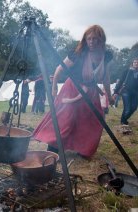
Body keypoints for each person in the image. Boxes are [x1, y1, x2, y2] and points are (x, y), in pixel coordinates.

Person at [33, 25, 114, 158]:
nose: (91, 42)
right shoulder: (78, 53)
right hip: (72, 89)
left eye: (95, 39)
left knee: (91, 122)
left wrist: (109, 96)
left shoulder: (107, 56)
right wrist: (54, 88)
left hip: (91, 93)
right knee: (64, 119)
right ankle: (52, 150)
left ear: (101, 40)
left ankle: (83, 150)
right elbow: (59, 69)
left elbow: (106, 77)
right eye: (89, 39)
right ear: (85, 40)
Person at [113, 58, 138, 126]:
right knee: (127, 109)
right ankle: (123, 122)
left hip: (136, 93)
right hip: (126, 91)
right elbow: (121, 81)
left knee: (134, 108)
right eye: (135, 62)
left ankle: (124, 119)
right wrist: (116, 92)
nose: (136, 63)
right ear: (132, 63)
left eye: (137, 62)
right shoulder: (127, 71)